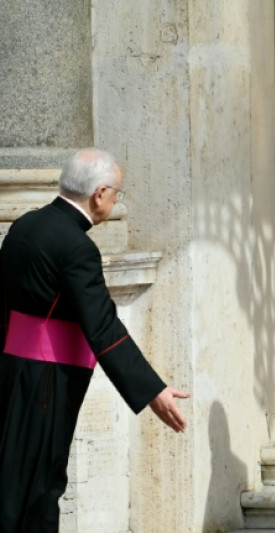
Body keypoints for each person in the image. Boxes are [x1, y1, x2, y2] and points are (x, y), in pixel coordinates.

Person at [0, 148, 189, 531]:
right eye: (117, 192)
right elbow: (103, 327)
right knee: (41, 488)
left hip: (12, 369)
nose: (116, 199)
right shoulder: (77, 247)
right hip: (47, 382)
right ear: (100, 193)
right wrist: (154, 391)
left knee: (11, 481)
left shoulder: (24, 225)